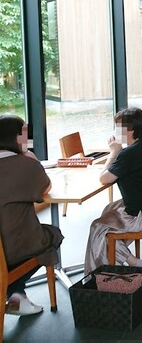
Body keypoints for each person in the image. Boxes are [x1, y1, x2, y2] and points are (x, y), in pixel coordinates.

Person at [84, 108, 142, 275]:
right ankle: (128, 260)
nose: (115, 132)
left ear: (131, 130)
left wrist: (114, 152)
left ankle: (103, 274)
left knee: (98, 227)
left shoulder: (129, 153)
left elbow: (104, 178)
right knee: (109, 210)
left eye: (118, 128)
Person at [0, 115, 64, 316]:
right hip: (13, 248)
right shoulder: (24, 165)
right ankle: (14, 291)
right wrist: (31, 156)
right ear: (16, 138)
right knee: (53, 235)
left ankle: (16, 295)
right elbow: (46, 187)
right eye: (25, 135)